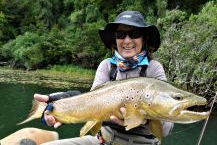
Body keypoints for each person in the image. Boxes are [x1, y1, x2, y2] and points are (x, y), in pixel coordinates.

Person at [34, 11, 173, 145]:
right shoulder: (107, 66)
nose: (127, 40)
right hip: (104, 141)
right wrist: (62, 104)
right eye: (120, 34)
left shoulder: (154, 68)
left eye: (135, 33)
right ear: (115, 39)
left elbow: (167, 128)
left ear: (144, 38)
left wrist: (143, 120)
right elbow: (92, 104)